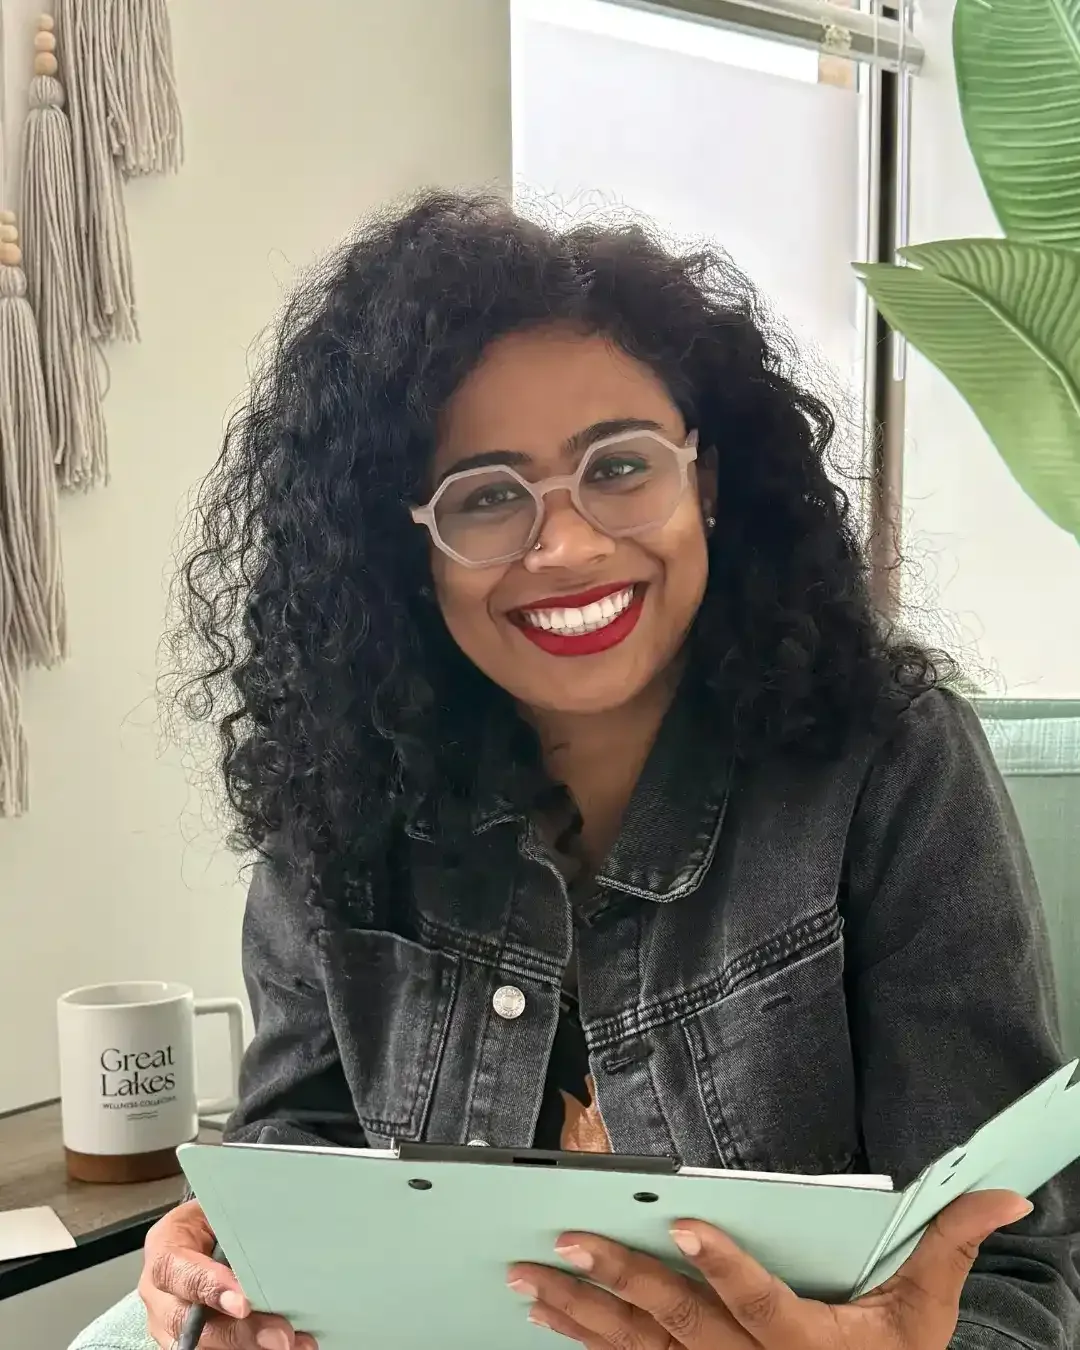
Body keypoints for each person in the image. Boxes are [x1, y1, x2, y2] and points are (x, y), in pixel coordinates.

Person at [142, 192, 1079, 1350]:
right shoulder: (341, 783)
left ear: (711, 483)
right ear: (403, 549)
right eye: (486, 496)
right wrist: (221, 1280)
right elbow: (296, 1155)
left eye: (620, 467)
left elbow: (1014, 1275)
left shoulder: (890, 763)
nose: (570, 544)